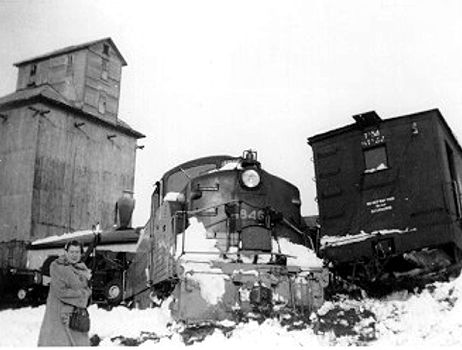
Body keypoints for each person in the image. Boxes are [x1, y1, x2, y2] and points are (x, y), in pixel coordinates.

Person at [38, 240, 92, 346]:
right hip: (59, 315)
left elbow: (87, 289)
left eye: (77, 252)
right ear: (66, 252)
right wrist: (83, 295)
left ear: (81, 253)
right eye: (72, 252)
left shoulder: (82, 269)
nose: (74, 255)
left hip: (76, 317)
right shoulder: (58, 267)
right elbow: (61, 291)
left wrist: (86, 294)